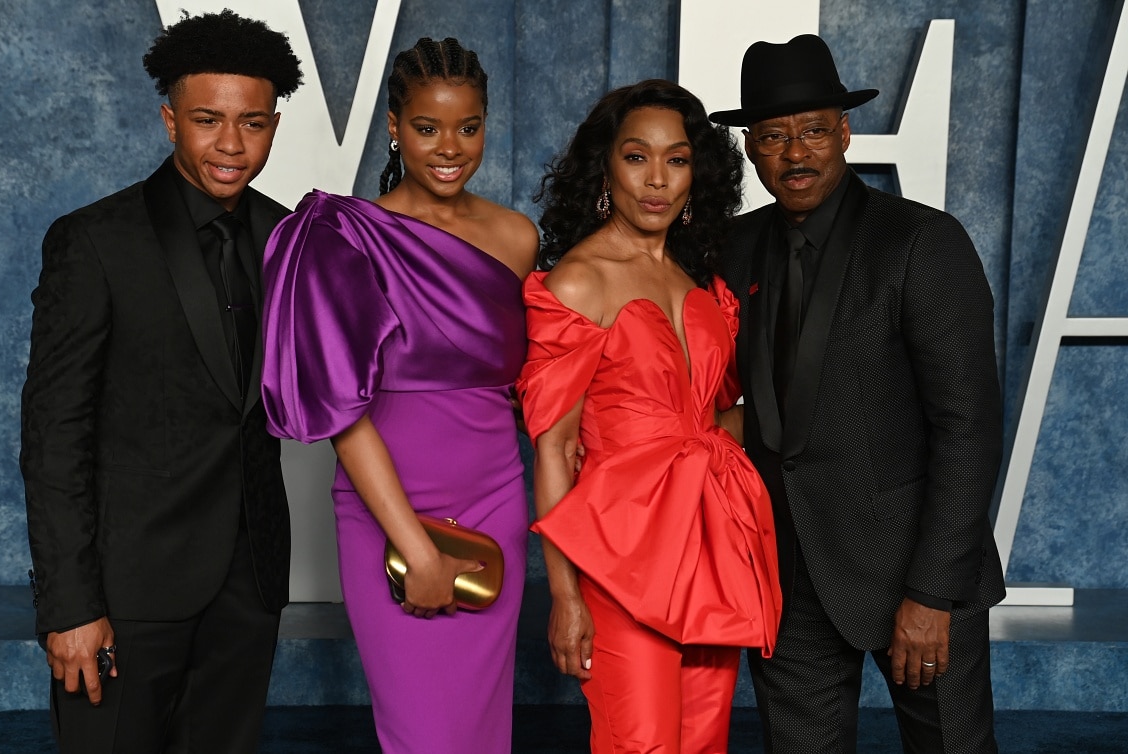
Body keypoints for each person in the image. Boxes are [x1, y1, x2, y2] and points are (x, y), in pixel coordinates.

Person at [709, 34, 1006, 753]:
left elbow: (968, 426)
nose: (796, 153)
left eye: (813, 130)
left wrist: (933, 594)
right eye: (774, 136)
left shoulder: (921, 243)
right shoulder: (732, 247)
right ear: (751, 148)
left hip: (914, 571)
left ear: (844, 132)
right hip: (787, 576)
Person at [20, 11, 302, 753]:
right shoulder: (94, 242)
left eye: (253, 123)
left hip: (250, 587)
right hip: (124, 590)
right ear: (169, 119)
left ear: (274, 125)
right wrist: (69, 607)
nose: (232, 145)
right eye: (208, 120)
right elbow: (54, 437)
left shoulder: (290, 240)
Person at [261, 37, 538, 754]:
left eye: (468, 127)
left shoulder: (514, 236)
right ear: (393, 125)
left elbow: (515, 387)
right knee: (423, 734)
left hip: (495, 502)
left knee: (480, 731)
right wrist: (412, 545)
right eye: (426, 127)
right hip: (390, 514)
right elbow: (340, 414)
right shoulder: (342, 236)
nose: (450, 147)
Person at [519, 79, 782, 753]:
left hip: (711, 548)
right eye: (637, 157)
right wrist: (565, 595)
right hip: (620, 556)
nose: (657, 180)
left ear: (700, 172)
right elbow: (554, 448)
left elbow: (717, 421)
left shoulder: (702, 286)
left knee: (704, 742)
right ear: (606, 166)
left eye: (677, 158)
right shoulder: (578, 282)